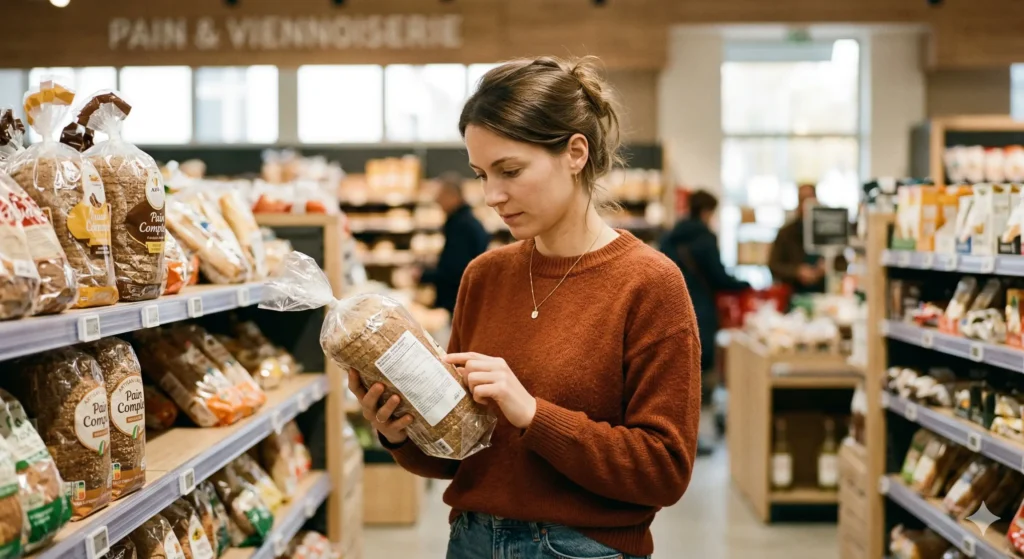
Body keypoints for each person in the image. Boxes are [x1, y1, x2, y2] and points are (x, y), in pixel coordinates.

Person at [349, 56, 699, 559]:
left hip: (583, 549)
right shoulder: (484, 277)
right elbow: (459, 457)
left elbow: (663, 470)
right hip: (470, 541)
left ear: (575, 152)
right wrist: (399, 432)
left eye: (510, 170)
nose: (492, 195)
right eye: (481, 174)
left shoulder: (650, 284)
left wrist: (533, 413)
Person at [660, 190, 749, 453]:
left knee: (677, 375)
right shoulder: (705, 239)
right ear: (707, 211)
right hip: (700, 311)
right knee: (699, 374)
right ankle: (693, 438)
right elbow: (719, 277)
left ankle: (674, 436)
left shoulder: (670, 237)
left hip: (671, 309)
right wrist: (745, 284)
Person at [418, 172, 491, 315]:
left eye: (440, 196)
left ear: (453, 196)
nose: (437, 201)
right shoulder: (466, 221)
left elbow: (455, 269)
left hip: (458, 302)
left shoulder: (461, 226)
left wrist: (424, 276)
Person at [768, 183, 832, 294]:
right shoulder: (786, 233)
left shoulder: (827, 231)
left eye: (810, 199)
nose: (806, 205)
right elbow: (774, 266)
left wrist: (828, 265)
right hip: (794, 294)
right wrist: (797, 271)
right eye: (803, 200)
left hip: (823, 293)